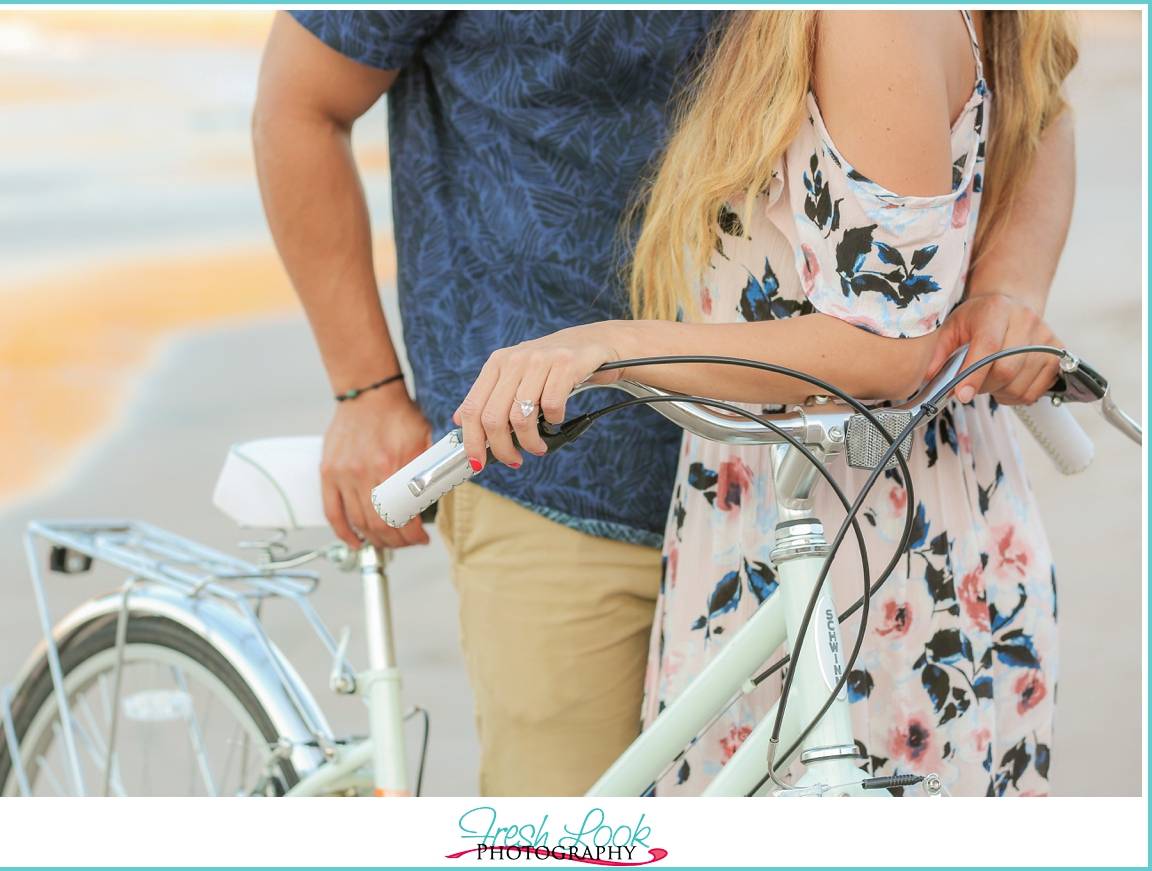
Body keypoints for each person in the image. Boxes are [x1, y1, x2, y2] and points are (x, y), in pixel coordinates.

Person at [254, 10, 1075, 796]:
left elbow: (1033, 76)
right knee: (572, 837)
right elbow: (300, 100)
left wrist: (1008, 280)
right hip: (561, 470)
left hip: (818, 501)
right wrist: (365, 388)